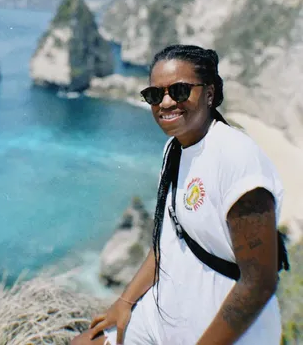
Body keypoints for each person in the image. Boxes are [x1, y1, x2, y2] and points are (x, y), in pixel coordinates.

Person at [71, 44, 286, 345]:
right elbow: (168, 241)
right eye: (154, 95)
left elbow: (259, 283)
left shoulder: (236, 158)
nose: (166, 103)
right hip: (165, 315)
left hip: (225, 331)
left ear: (209, 94)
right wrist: (125, 301)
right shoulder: (174, 149)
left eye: (180, 91)